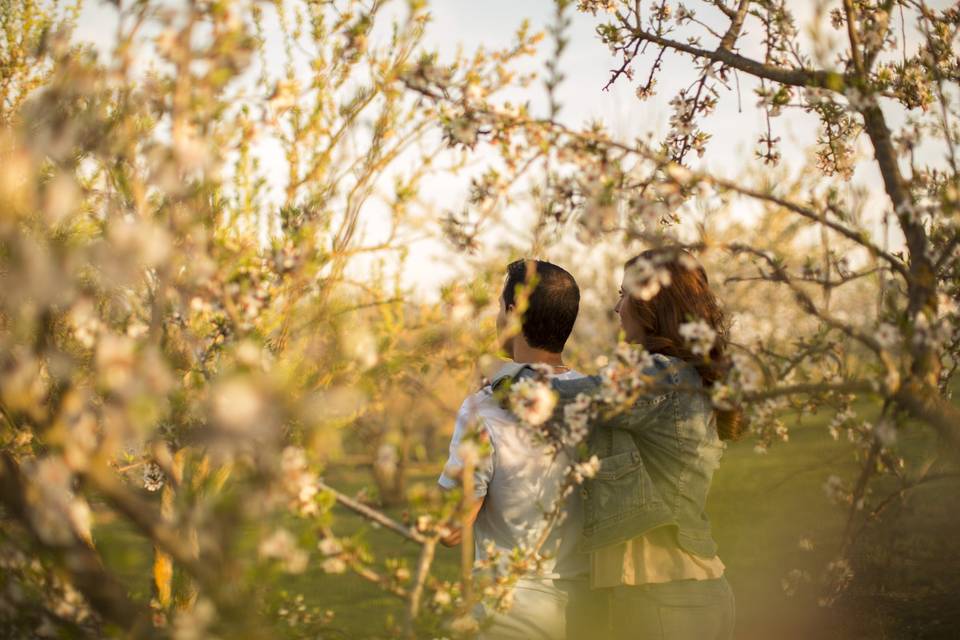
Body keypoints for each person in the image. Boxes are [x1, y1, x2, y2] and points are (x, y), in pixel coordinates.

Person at [552, 248, 741, 640]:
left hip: (665, 598)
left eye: (624, 295)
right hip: (682, 595)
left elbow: (575, 399)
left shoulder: (662, 377)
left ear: (651, 302)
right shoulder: (678, 376)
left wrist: (504, 382)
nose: (616, 307)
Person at [438, 259, 590, 640]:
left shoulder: (485, 407)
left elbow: (451, 527)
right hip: (586, 606)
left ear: (513, 312)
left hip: (508, 612)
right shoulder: (597, 398)